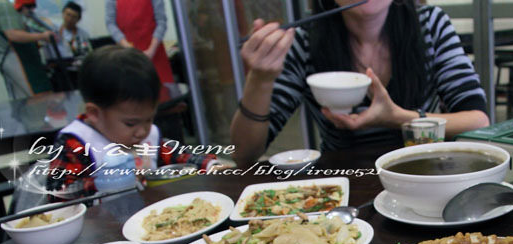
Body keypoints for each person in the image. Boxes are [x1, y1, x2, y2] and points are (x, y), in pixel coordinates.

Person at [230, 0, 489, 167]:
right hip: (344, 181)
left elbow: (479, 121)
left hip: (425, 171)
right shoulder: (306, 40)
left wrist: (398, 117)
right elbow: (244, 154)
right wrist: (259, 80)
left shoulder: (430, 25)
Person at [39, 45, 219, 200]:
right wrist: (105, 183)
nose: (142, 132)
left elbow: (178, 157)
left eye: (149, 119)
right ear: (94, 113)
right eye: (130, 124)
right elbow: (58, 193)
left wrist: (208, 165)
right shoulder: (76, 143)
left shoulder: (145, 136)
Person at [0, 0, 54, 98]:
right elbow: (13, 34)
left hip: (7, 58)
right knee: (37, 99)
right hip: (19, 60)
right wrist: (42, 36)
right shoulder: (2, 5)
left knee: (21, 99)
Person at [105, 0, 174, 87]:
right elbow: (110, 23)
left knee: (164, 94)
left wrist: (151, 50)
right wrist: (127, 47)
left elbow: (161, 22)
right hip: (127, 57)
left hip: (155, 54)